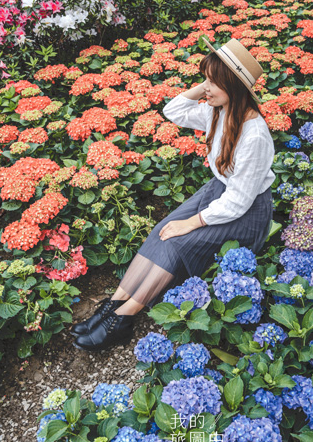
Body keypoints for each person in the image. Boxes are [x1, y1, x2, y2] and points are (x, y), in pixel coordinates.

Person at [70, 38, 275, 351]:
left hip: (247, 214)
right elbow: (172, 110)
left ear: (233, 88)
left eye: (214, 82)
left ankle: (123, 319)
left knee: (177, 240)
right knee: (161, 230)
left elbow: (239, 202)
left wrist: (191, 223)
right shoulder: (217, 112)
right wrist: (208, 84)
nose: (205, 88)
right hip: (219, 193)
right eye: (205, 79)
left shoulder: (255, 135)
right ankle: (113, 304)